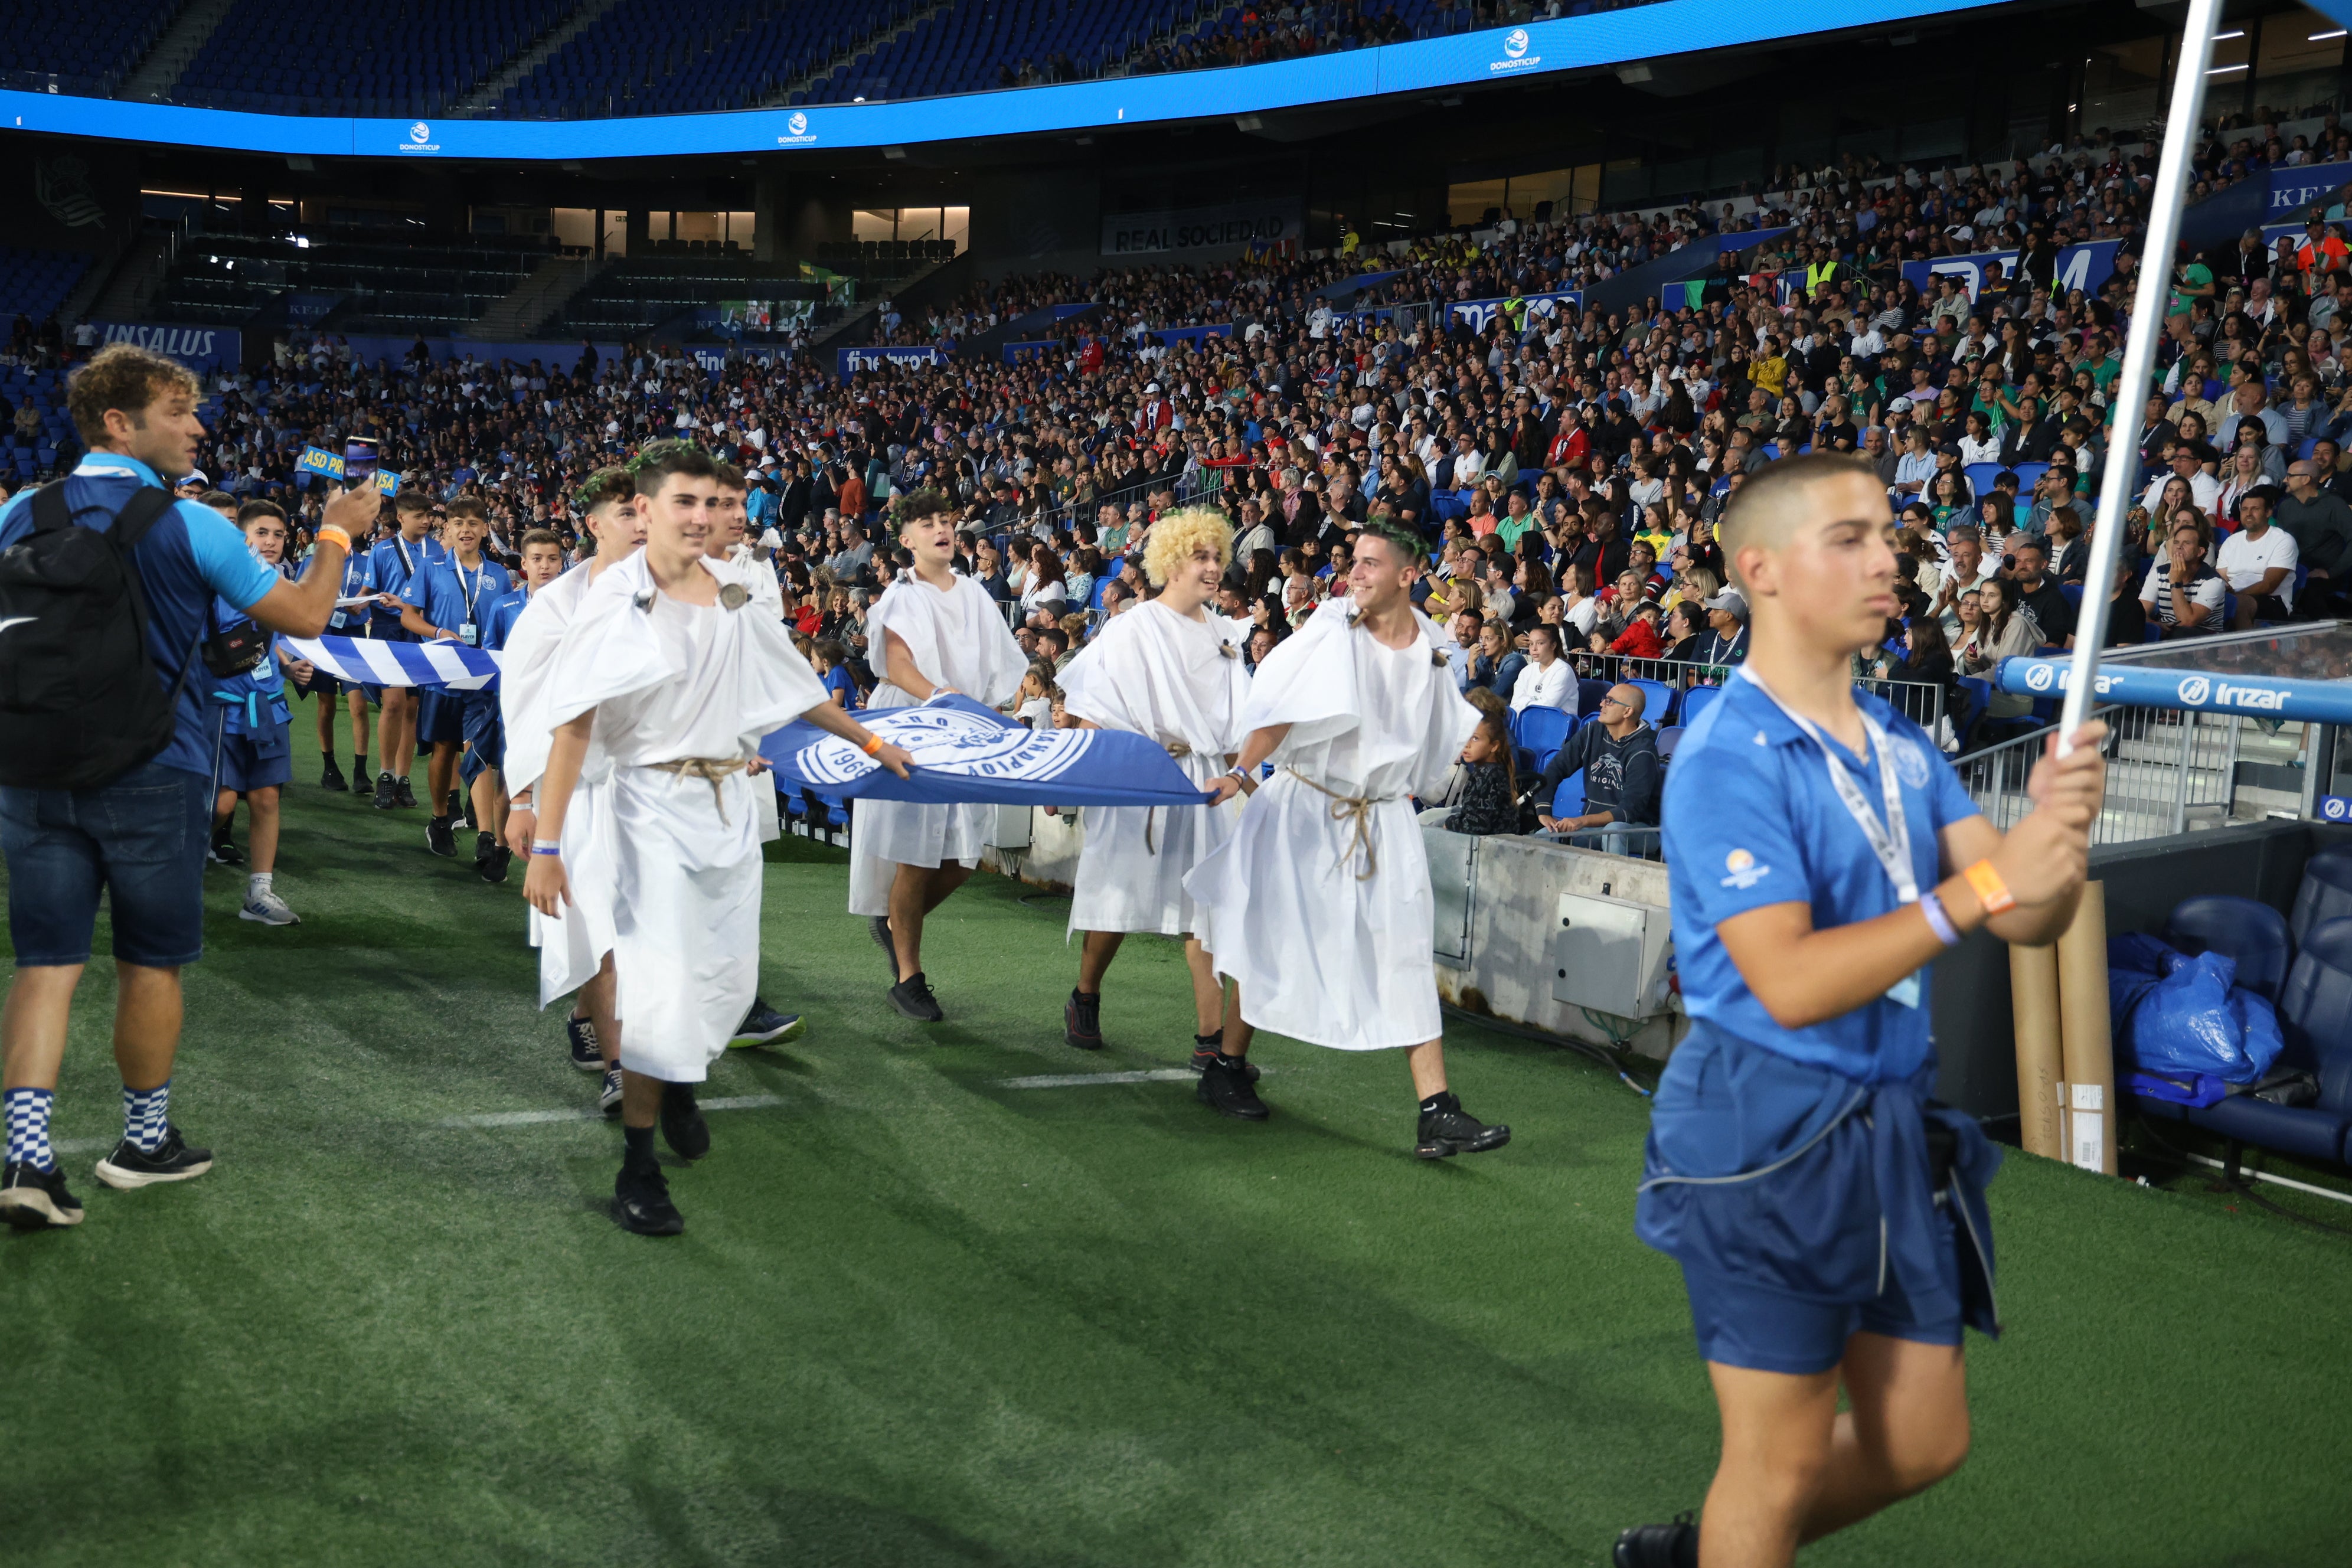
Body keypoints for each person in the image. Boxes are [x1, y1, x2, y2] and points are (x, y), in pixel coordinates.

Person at [1612, 453, 2107, 1568]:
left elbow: (2030, 917)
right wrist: (1989, 882)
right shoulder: (1723, 754)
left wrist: (2055, 843)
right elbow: (1785, 982)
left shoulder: (1898, 742)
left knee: (1921, 1440)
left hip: (1892, 1117)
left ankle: (1708, 1552)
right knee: (1776, 1461)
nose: (1888, 558)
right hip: (1764, 1121)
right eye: (1849, 538)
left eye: (1888, 535)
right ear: (1763, 570)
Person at [0, 344, 362, 1230]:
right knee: (148, 962)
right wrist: (338, 529)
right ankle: (143, 1143)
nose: (198, 427)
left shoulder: (17, 510)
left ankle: (24, 1158)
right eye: (176, 411)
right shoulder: (193, 523)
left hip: (32, 766)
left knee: (45, 965)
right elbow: (307, 617)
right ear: (119, 423)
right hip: (154, 770)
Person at [523, 442, 911, 1236]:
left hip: (727, 805)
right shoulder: (616, 602)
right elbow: (572, 732)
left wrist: (873, 744)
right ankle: (639, 1170)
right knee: (660, 989)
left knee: (726, 977)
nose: (702, 518)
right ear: (646, 511)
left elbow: (795, 687)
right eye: (684, 504)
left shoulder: (734, 593)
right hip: (646, 813)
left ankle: (682, 1080)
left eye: (713, 504)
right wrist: (548, 846)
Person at [1184, 521, 1511, 1158]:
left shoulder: (1434, 645)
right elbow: (1278, 712)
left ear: (1408, 575)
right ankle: (1226, 1065)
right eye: (1354, 563)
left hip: (1383, 818)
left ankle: (1437, 1110)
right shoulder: (1334, 630)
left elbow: (1442, 735)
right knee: (1271, 939)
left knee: (1406, 951)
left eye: (1369, 563)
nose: (1355, 574)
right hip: (1308, 808)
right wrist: (1239, 772)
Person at [1054, 507, 1252, 1062]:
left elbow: (1242, 724)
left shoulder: (1225, 634)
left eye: (1217, 556)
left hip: (1205, 783)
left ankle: (1210, 1042)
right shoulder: (1133, 628)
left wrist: (1250, 781)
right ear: (1171, 562)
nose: (1213, 567)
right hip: (1140, 776)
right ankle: (1086, 993)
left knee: (1205, 910)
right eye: (1201, 557)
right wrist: (1084, 778)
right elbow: (1092, 708)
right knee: (1115, 897)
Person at [848, 488, 1027, 1023]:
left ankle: (893, 923)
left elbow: (1001, 663)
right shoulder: (901, 597)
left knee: (961, 859)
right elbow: (898, 666)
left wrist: (991, 715)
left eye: (946, 519)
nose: (941, 528)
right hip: (913, 723)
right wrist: (941, 699)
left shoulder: (973, 592)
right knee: (915, 851)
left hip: (962, 727)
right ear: (906, 541)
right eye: (926, 523)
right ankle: (909, 977)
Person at [501, 468, 646, 1107]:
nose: (643, 525)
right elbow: (527, 704)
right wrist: (525, 800)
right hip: (582, 791)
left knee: (637, 931)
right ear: (593, 526)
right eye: (627, 515)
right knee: (607, 931)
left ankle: (590, 1020)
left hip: (659, 791)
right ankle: (625, 1067)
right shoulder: (556, 605)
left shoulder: (680, 589)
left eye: (647, 512)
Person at [398, 498, 512, 861]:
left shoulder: (499, 575)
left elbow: (507, 625)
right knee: (444, 750)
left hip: (483, 679)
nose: (466, 529)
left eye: (474, 523)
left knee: (479, 751)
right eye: (459, 522)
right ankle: (440, 819)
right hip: (441, 676)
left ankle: (484, 836)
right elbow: (408, 617)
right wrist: (437, 633)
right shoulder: (431, 567)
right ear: (446, 527)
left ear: (484, 529)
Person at [209, 500, 302, 926]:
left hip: (266, 707)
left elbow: (266, 643)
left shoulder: (281, 582)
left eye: (278, 534)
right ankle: (168, 871)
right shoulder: (213, 582)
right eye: (261, 532)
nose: (270, 541)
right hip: (220, 708)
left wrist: (287, 665)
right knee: (221, 805)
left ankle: (259, 891)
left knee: (266, 799)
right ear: (241, 537)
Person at [364, 491, 445, 811]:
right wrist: (360, 604)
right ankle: (384, 775)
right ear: (401, 518)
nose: (426, 521)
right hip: (389, 631)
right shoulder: (382, 550)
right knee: (394, 704)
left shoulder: (436, 549)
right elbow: (368, 592)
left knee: (413, 710)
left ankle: (402, 778)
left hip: (421, 630)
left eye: (428, 516)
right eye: (419, 516)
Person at [1532, 682, 1662, 850]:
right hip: (1593, 829)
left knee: (1613, 832)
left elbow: (1627, 812)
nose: (1602, 704)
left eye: (1610, 701)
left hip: (1639, 830)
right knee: (1544, 836)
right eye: (1604, 700)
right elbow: (1555, 769)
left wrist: (1581, 821)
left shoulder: (1644, 751)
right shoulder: (1592, 731)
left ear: (1627, 711)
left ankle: (1613, 878)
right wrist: (1543, 812)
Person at [2215, 487, 2297, 630]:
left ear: (2268, 512)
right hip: (2234, 595)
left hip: (2272, 600)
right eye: (2245, 509)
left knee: (2238, 604)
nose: (2249, 514)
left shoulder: (2283, 540)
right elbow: (2222, 578)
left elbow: (2268, 585)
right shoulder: (2231, 541)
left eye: (2255, 509)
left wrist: (2234, 595)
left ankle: (2247, 651)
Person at [2140, 518, 2227, 639]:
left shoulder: (2213, 581)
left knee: (2180, 633)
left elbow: (2187, 622)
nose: (2179, 547)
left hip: (2203, 640)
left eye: (2187, 543)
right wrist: (2154, 624)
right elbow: (2140, 613)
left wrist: (2176, 582)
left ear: (2200, 552)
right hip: (2166, 631)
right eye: (2176, 542)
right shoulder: (2158, 573)